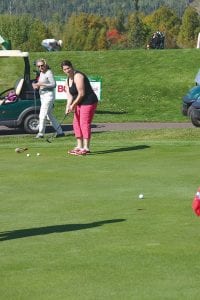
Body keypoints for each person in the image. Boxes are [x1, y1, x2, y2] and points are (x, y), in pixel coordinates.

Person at [61, 60, 98, 155]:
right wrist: (67, 107)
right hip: (79, 103)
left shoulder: (78, 76)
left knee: (84, 123)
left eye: (68, 68)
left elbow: (81, 94)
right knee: (76, 123)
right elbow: (69, 96)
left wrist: (73, 105)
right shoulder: (67, 80)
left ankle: (86, 148)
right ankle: (79, 146)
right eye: (65, 69)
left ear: (72, 67)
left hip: (88, 101)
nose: (67, 70)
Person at [32, 58, 64, 138]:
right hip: (43, 95)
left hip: (48, 96)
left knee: (42, 114)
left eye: (42, 65)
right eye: (38, 66)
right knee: (49, 115)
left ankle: (41, 133)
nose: (40, 68)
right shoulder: (41, 73)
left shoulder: (48, 72)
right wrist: (36, 85)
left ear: (45, 64)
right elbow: (41, 84)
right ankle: (60, 132)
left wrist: (41, 84)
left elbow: (53, 84)